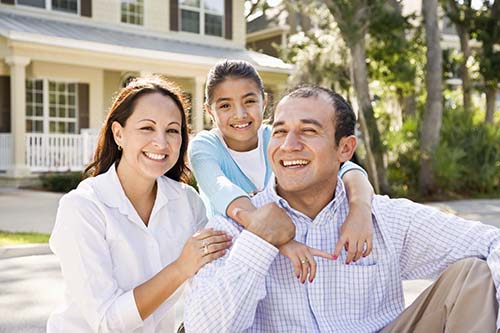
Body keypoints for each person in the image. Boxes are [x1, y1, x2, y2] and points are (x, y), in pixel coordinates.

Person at [184, 85, 500, 332]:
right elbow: (203, 329)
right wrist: (258, 240)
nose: (289, 145)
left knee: (472, 275)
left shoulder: (384, 217)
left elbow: (492, 242)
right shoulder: (230, 228)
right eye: (279, 131)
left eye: (308, 131)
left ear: (345, 148)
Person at [47, 76, 231, 332]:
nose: (161, 142)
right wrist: (180, 268)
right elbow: (106, 322)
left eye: (172, 130)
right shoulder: (83, 207)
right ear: (118, 134)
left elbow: (213, 282)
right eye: (147, 128)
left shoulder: (188, 201)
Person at [189, 60, 374, 278]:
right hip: (231, 258)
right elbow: (221, 189)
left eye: (249, 101)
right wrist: (281, 240)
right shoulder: (204, 146)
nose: (240, 114)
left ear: (264, 102)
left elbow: (346, 168)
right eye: (225, 106)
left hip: (289, 256)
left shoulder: (278, 138)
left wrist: (360, 210)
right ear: (209, 110)